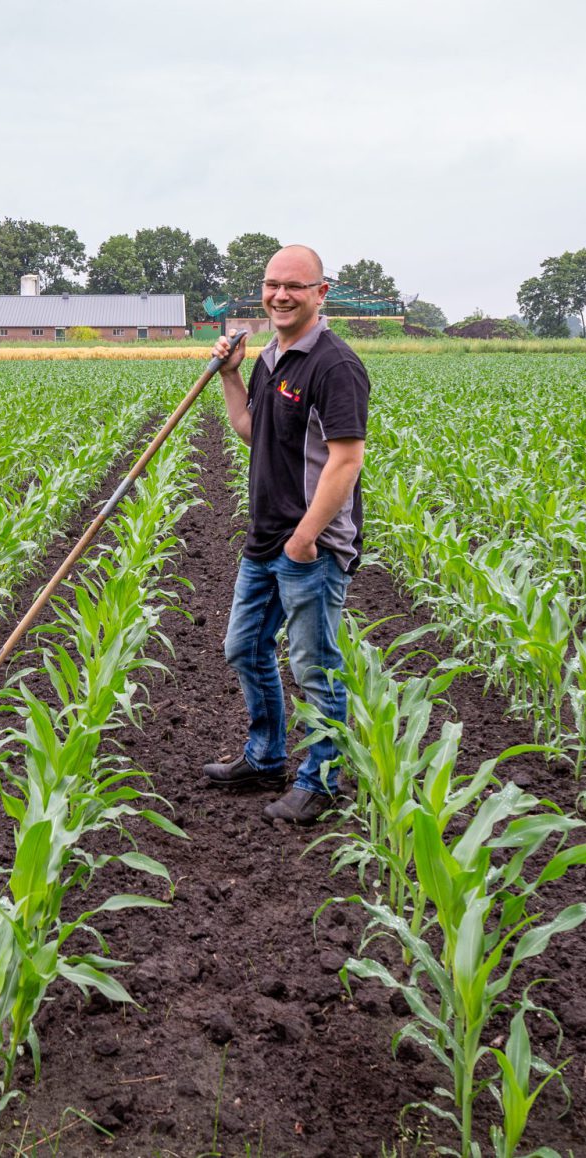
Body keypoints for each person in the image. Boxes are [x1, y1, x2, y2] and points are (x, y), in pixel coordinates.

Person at [201, 245, 369, 823]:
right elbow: (254, 431)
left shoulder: (335, 365)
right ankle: (265, 757)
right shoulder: (270, 358)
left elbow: (347, 461)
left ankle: (320, 782)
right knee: (244, 647)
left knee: (313, 665)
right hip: (266, 537)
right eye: (272, 285)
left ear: (321, 293)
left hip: (311, 546)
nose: (280, 295)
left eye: (295, 286)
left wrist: (305, 539)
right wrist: (229, 377)